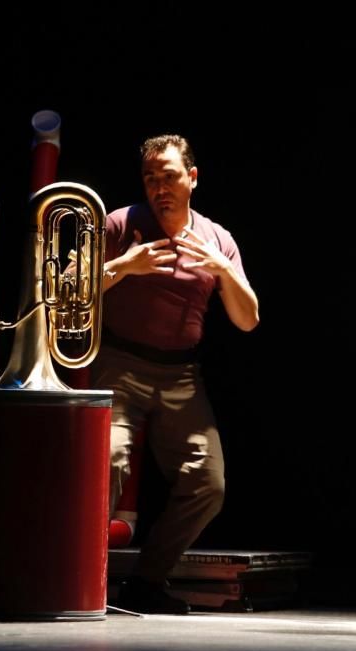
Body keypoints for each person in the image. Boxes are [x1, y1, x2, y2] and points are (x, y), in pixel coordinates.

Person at [93, 134, 259, 614]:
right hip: (120, 365)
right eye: (150, 177)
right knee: (105, 462)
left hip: (181, 375)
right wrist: (124, 265)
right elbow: (72, 295)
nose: (159, 186)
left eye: (168, 175)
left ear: (192, 177)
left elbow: (248, 320)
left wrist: (223, 272)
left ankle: (147, 580)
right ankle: (81, 576)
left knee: (209, 483)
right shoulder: (120, 225)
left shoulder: (218, 239)